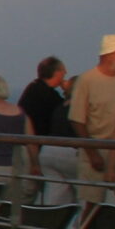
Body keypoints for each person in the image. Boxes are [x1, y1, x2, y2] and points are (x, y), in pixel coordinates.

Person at [70, 36, 115, 210]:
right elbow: (77, 119)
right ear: (111, 54)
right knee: (92, 204)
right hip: (95, 148)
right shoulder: (87, 80)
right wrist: (92, 153)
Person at [20, 57, 76, 206]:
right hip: (35, 150)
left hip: (37, 149)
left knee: (51, 193)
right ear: (56, 73)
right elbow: (66, 112)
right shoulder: (49, 96)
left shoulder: (33, 89)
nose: (65, 73)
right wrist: (70, 91)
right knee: (29, 194)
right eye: (63, 71)